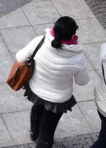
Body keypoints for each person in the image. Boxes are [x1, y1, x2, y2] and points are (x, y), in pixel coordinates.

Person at [16, 16, 90, 148]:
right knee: (47, 133)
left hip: (36, 89)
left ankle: (34, 133)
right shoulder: (77, 57)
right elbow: (82, 82)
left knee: (37, 109)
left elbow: (19, 57)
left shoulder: (40, 41)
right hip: (58, 98)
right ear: (73, 35)